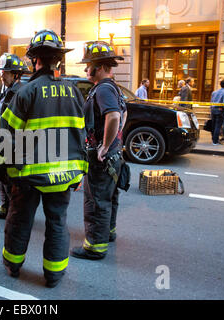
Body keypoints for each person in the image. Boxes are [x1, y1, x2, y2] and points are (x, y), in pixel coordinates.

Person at [0, 29, 87, 288]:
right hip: (64, 174)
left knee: (20, 220)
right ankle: (54, 274)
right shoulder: (74, 92)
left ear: (34, 60)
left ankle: (13, 266)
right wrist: (79, 171)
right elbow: (81, 134)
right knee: (57, 221)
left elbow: (7, 135)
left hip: (29, 176)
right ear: (58, 60)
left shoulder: (26, 93)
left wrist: (5, 170)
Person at [70, 40, 127, 260]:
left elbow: (113, 116)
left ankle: (95, 246)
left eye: (89, 65)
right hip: (115, 155)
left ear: (101, 67)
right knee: (110, 197)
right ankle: (108, 233)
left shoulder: (103, 89)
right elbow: (123, 115)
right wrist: (114, 142)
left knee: (96, 200)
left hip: (102, 157)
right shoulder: (113, 87)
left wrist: (103, 146)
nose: (86, 69)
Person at [0, 53, 30, 219]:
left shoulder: (18, 93)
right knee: (1, 178)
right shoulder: (8, 91)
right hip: (2, 143)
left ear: (16, 74)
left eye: (5, 72)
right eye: (2, 72)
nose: (2, 75)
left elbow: (9, 120)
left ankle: (14, 211)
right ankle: (6, 208)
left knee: (10, 181)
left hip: (12, 144)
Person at [210, 79, 224, 145]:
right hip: (220, 110)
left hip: (213, 110)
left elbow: (211, 102)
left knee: (214, 125)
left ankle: (214, 139)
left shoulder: (214, 92)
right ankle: (215, 141)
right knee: (218, 126)